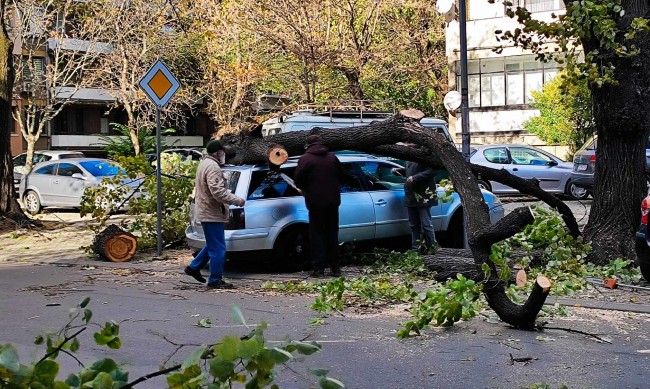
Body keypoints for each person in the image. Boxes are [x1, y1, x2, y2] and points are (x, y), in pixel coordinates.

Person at [184, 140, 245, 289]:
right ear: (218, 153)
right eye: (223, 152)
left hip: (207, 211)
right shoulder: (213, 167)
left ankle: (193, 267)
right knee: (218, 248)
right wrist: (237, 200)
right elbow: (217, 192)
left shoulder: (204, 164)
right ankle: (215, 280)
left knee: (213, 244)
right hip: (212, 212)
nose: (224, 155)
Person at [294, 134, 343, 277]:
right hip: (333, 202)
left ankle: (319, 268)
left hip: (315, 202)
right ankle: (335, 268)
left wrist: (306, 189)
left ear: (308, 145)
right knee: (332, 233)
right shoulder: (332, 157)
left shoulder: (305, 159)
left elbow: (298, 180)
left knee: (317, 234)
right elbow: (342, 175)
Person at [394, 147, 438, 253]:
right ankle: (416, 250)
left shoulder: (425, 155)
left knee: (426, 224)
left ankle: (433, 249)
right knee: (414, 225)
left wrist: (415, 177)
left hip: (424, 196)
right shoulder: (409, 158)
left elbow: (432, 171)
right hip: (411, 196)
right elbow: (410, 173)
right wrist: (400, 171)